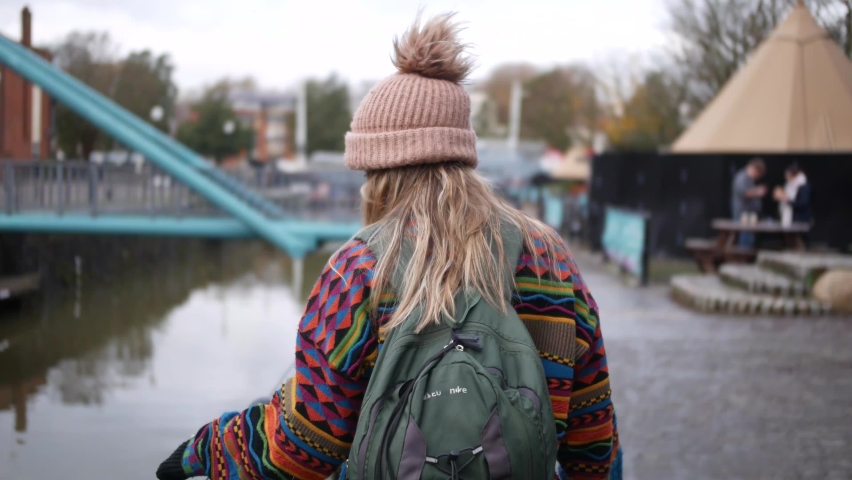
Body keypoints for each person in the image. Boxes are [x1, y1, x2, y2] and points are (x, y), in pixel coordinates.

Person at [156, 13, 620, 480]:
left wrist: (205, 449)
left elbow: (301, 446)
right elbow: (594, 446)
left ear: (381, 173)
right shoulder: (550, 260)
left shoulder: (359, 270)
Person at [731, 158, 768, 248]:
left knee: (749, 239)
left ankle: (746, 254)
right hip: (743, 215)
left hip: (750, 215)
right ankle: (743, 255)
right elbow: (745, 193)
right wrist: (758, 192)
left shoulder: (749, 179)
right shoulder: (741, 177)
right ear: (754, 168)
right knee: (745, 239)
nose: (758, 177)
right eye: (758, 173)